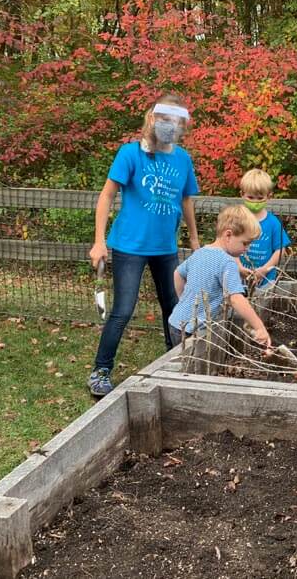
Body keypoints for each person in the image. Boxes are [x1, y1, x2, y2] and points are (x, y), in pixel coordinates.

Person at [87, 93, 201, 397]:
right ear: (153, 118)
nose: (171, 125)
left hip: (165, 248)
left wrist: (193, 239)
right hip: (130, 246)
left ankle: (175, 360)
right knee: (123, 310)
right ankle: (101, 370)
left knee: (173, 307)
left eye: (177, 120)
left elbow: (187, 199)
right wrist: (99, 241)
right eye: (166, 118)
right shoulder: (130, 154)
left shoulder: (183, 159)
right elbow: (106, 196)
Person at [167, 204, 271, 349]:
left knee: (177, 365)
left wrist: (182, 299)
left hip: (176, 323)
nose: (247, 249)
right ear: (228, 235)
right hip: (194, 331)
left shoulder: (201, 252)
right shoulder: (227, 262)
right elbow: (235, 299)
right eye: (245, 243)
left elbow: (177, 274)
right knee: (193, 367)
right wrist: (259, 327)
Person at [237, 168, 291, 290]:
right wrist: (238, 266)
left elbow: (280, 250)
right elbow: (228, 245)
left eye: (260, 198)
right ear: (242, 194)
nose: (255, 201)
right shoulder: (237, 219)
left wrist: (265, 269)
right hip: (238, 279)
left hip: (266, 280)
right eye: (250, 197)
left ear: (268, 197)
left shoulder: (273, 223)